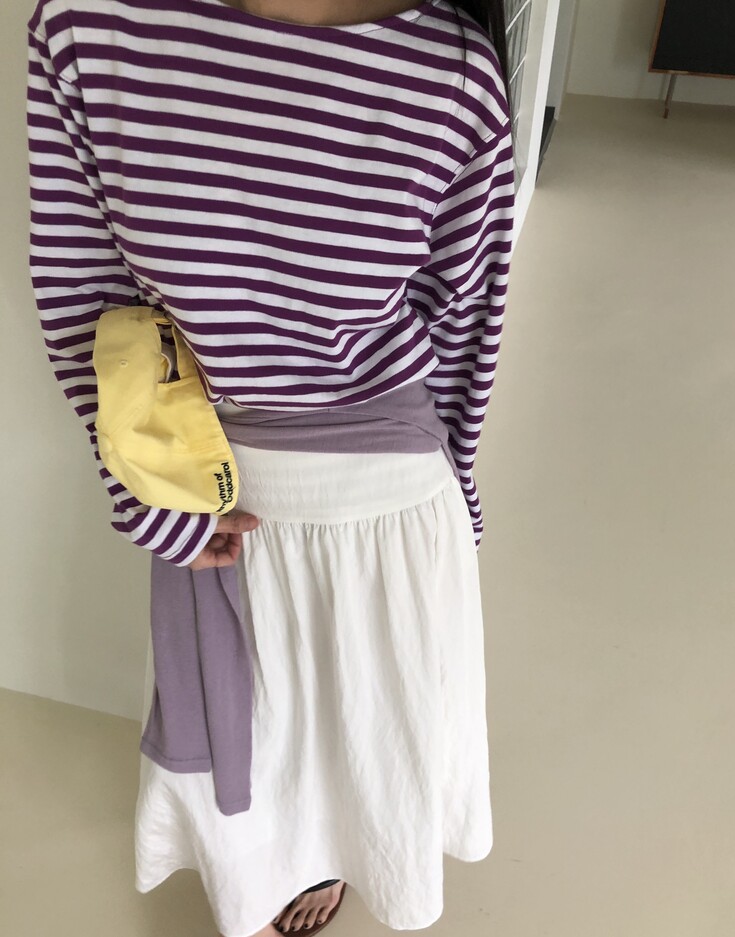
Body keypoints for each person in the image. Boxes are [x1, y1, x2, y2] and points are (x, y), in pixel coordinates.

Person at [25, 0, 515, 935]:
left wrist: (460, 507)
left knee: (363, 735)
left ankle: (326, 861)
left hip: (387, 497)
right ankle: (267, 877)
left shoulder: (453, 71)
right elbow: (85, 294)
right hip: (211, 486)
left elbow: (463, 332)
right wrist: (151, 498)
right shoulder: (88, 24)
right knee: (257, 743)